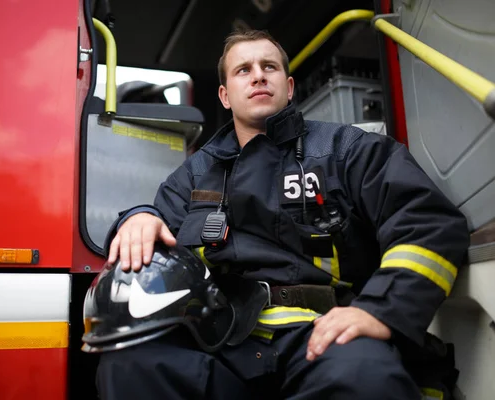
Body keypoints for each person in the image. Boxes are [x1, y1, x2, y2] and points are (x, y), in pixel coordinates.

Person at [95, 30, 469, 399]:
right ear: (225, 96)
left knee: (367, 379)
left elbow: (427, 223)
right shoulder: (195, 174)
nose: (258, 75)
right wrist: (139, 216)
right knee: (128, 367)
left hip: (326, 334)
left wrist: (381, 310)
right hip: (224, 341)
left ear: (289, 87)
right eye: (243, 70)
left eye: (268, 66)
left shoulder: (348, 150)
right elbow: (157, 221)